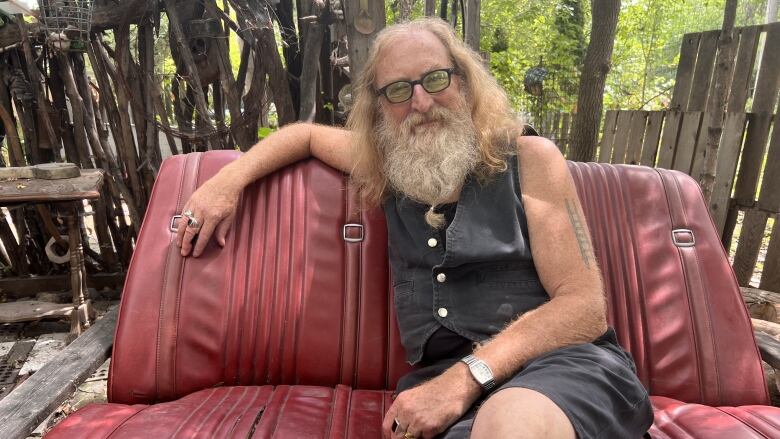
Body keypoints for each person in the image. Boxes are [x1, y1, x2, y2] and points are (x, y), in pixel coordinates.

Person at [175, 17, 653, 439]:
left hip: (562, 369)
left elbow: (584, 307)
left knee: (512, 423)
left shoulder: (529, 160)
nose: (420, 102)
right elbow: (304, 135)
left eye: (435, 79)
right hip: (446, 397)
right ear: (379, 106)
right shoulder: (388, 166)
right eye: (399, 90)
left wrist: (466, 377)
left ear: (464, 82)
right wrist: (228, 180)